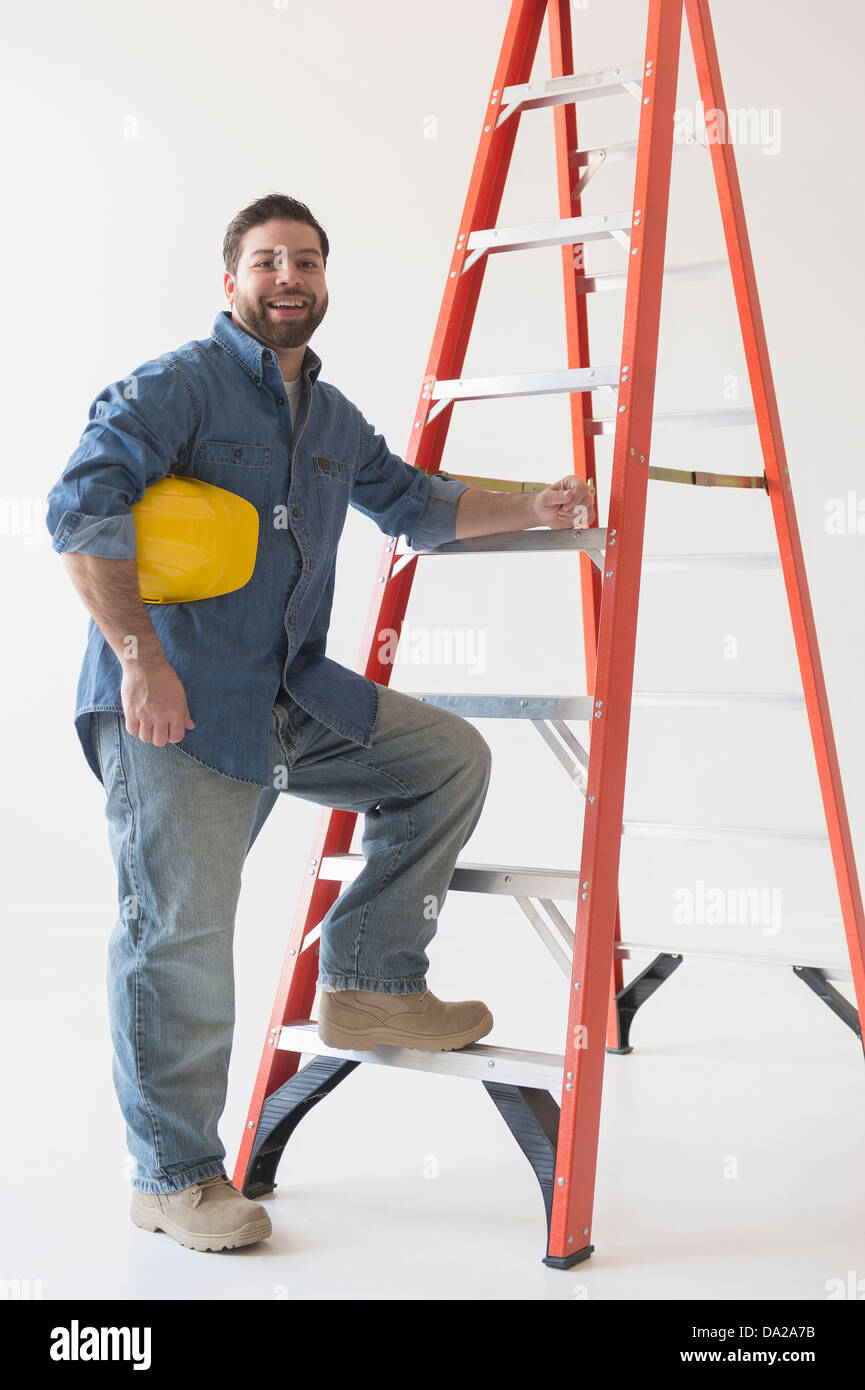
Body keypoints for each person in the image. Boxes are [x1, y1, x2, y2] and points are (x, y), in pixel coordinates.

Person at [45, 192, 596, 1253]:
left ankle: (371, 979)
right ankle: (173, 1176)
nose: (286, 276)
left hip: (291, 694)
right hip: (182, 708)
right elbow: (81, 511)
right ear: (231, 282)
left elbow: (417, 503)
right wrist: (139, 663)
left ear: (325, 280)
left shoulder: (333, 420)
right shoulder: (176, 387)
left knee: (442, 759)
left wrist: (538, 504)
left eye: (304, 259)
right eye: (265, 261)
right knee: (183, 943)